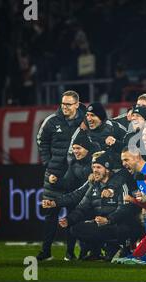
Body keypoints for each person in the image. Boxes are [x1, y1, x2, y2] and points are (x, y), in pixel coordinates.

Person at [58, 151, 143, 260]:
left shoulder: (120, 182)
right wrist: (69, 219)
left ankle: (120, 248)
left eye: (98, 167)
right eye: (93, 167)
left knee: (124, 228)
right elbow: (82, 207)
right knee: (76, 229)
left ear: (107, 169)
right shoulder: (94, 185)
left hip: (119, 223)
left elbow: (125, 209)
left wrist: (108, 220)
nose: (95, 170)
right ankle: (96, 251)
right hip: (103, 223)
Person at [35, 90, 86, 261]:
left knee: (73, 215)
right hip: (54, 175)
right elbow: (41, 141)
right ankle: (46, 251)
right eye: (63, 104)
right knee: (50, 213)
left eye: (68, 104)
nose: (64, 107)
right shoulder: (51, 121)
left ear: (77, 105)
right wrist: (48, 164)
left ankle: (70, 253)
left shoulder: (85, 120)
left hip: (75, 176)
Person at [84, 102, 127, 169]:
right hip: (93, 170)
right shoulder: (84, 130)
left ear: (101, 117)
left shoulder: (115, 128)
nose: (89, 119)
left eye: (92, 115)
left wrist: (115, 143)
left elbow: (129, 148)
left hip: (116, 170)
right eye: (87, 115)